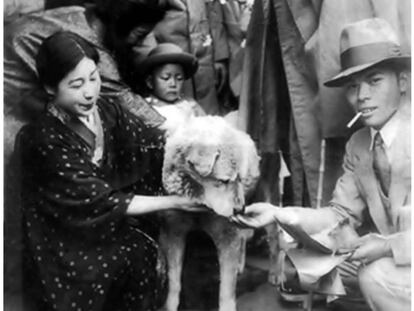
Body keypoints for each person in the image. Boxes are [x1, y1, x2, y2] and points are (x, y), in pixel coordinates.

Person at [16, 31, 205, 311]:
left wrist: (197, 150)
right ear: (50, 88)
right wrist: (179, 202)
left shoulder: (107, 111)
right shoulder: (41, 138)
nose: (90, 91)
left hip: (107, 222)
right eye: (77, 84)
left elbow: (151, 144)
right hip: (65, 238)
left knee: (142, 252)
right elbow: (98, 200)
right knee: (117, 260)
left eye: (94, 78)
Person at [231, 18, 411, 311]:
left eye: (374, 81)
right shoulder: (359, 143)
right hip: (393, 259)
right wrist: (278, 213)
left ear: (403, 81)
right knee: (300, 268)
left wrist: (386, 246)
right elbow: (340, 214)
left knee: (375, 276)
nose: (362, 96)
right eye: (353, 86)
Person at [137, 42, 206, 134]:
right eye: (165, 78)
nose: (173, 84)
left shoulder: (191, 105)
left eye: (179, 78)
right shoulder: (145, 109)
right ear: (150, 82)